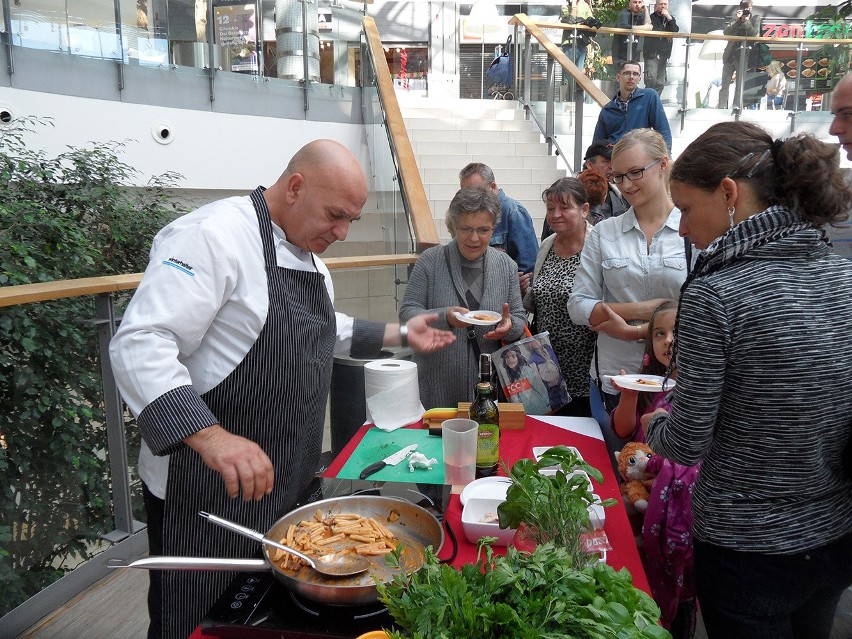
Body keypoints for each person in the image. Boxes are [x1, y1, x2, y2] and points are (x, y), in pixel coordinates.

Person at [109, 139, 456, 639]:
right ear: (296, 187)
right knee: (197, 619)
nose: (340, 232)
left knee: (262, 617)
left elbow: (323, 327)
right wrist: (211, 436)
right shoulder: (214, 236)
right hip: (206, 488)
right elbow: (142, 341)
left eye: (350, 221)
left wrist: (400, 333)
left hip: (286, 482)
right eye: (335, 215)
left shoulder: (308, 257)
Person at [645, 121, 852, 639]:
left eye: (687, 210)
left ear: (730, 193)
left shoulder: (719, 294)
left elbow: (688, 443)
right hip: (835, 535)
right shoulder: (842, 276)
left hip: (747, 546)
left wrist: (655, 424)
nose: (684, 229)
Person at [567, 128, 687, 466]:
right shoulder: (605, 232)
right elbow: (578, 304)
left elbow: (706, 305)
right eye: (618, 176)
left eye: (636, 172)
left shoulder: (689, 229)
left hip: (680, 377)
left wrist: (635, 328)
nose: (627, 184)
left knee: (669, 477)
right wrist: (641, 309)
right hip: (616, 375)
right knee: (617, 469)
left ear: (663, 164)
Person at [612, 300, 699, 638]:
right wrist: (630, 393)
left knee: (674, 606)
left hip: (674, 519)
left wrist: (660, 434)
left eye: (678, 332)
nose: (669, 340)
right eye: (660, 334)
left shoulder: (696, 391)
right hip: (643, 503)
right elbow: (623, 430)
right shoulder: (656, 385)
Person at [399, 186, 527, 409]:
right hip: (436, 389)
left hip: (488, 391)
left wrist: (510, 326)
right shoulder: (430, 261)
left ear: (494, 229)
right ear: (453, 226)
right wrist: (445, 316)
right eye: (466, 229)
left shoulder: (506, 266)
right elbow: (407, 316)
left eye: (483, 230)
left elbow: (518, 319)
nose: (474, 238)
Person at [524, 177, 597, 417]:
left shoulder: (598, 246)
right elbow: (540, 299)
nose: (556, 214)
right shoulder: (547, 245)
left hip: (586, 363)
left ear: (584, 209)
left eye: (564, 207)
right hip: (548, 364)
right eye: (550, 208)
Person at [458, 163, 539, 295]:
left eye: (475, 192)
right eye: (465, 193)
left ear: (493, 187)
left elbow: (528, 269)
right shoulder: (466, 213)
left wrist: (506, 282)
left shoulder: (514, 212)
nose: (469, 199)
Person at [540, 141, 627, 239]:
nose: (611, 166)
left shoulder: (621, 193)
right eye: (606, 161)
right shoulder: (567, 192)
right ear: (589, 164)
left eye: (613, 161)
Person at [593, 60, 673, 151]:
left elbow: (663, 130)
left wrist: (667, 155)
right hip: (614, 158)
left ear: (639, 79)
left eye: (635, 74)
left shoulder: (650, 97)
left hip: (641, 156)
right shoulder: (607, 110)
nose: (631, 77)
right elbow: (597, 145)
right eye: (627, 73)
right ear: (618, 77)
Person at [717, 0, 761, 110]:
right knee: (725, 84)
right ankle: (721, 107)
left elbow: (755, 35)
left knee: (740, 85)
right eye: (745, 7)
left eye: (749, 7)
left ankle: (737, 108)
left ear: (752, 7)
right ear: (740, 7)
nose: (747, 9)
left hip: (744, 55)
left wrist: (746, 21)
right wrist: (736, 19)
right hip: (730, 55)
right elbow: (726, 32)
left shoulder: (755, 18)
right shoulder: (735, 18)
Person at [499, 344, 551, 415]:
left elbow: (539, 386)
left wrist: (547, 401)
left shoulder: (526, 370)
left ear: (518, 357)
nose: (510, 359)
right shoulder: (508, 376)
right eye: (507, 357)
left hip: (537, 407)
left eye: (513, 356)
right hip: (523, 412)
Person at [642, 0, 679, 96]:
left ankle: (655, 101)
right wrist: (666, 34)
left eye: (665, 4)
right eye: (661, 4)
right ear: (656, 6)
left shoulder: (670, 19)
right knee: (651, 81)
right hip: (651, 53)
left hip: (664, 54)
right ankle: (648, 102)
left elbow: (675, 30)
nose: (663, 6)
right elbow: (652, 28)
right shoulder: (651, 17)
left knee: (661, 83)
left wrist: (668, 17)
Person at [612, 0, 651, 67]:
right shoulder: (624, 13)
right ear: (629, 4)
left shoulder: (640, 15)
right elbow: (624, 26)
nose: (637, 5)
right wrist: (644, 28)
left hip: (634, 51)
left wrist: (646, 11)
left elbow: (649, 26)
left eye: (639, 2)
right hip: (620, 52)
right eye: (635, 2)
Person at [560, 0, 596, 73]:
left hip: (582, 42)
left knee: (578, 72)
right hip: (569, 43)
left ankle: (577, 84)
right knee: (567, 71)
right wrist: (574, 7)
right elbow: (571, 20)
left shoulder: (585, 6)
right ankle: (577, 85)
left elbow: (592, 22)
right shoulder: (565, 7)